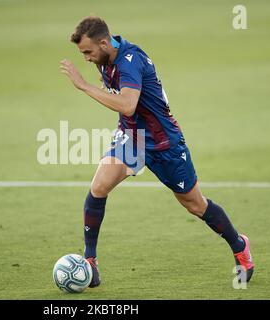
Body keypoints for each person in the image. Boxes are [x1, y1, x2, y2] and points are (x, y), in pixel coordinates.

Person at [60, 16, 254, 288]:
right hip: (132, 138)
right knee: (99, 187)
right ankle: (90, 261)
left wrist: (83, 86)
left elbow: (127, 105)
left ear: (104, 42)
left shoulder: (131, 60)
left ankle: (239, 245)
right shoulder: (107, 59)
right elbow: (128, 113)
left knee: (194, 204)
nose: (86, 59)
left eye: (88, 52)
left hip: (164, 144)